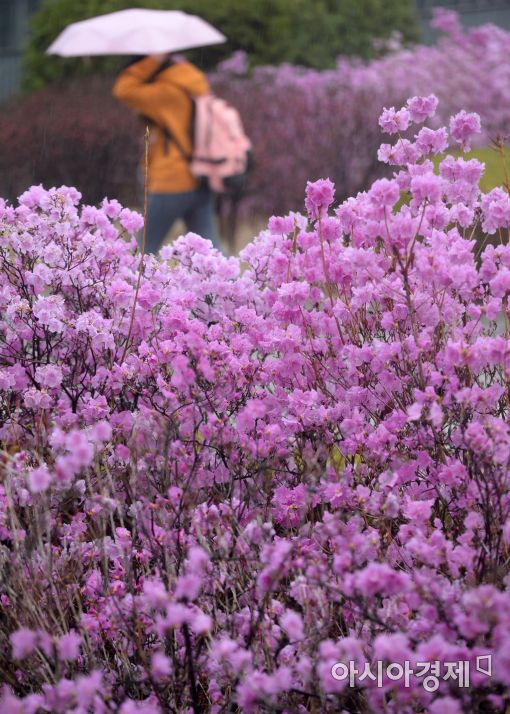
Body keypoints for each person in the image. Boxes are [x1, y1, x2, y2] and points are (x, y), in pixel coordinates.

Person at [112, 54, 219, 253]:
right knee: (209, 251)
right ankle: (235, 275)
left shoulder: (166, 92)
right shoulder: (191, 83)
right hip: (201, 174)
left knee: (143, 250)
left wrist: (151, 60)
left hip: (171, 178)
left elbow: (123, 89)